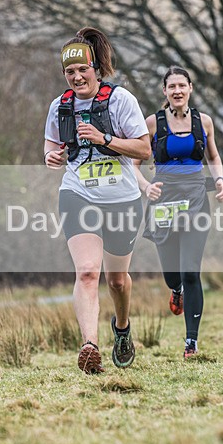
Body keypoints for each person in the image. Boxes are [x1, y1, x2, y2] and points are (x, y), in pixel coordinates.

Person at [43, 27, 152, 374]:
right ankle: (90, 345)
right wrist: (52, 157)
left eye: (82, 70)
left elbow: (144, 148)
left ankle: (121, 329)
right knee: (88, 272)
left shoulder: (121, 100)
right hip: (77, 193)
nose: (77, 77)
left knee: (116, 280)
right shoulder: (60, 107)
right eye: (70, 72)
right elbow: (50, 145)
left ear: (96, 67)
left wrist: (105, 138)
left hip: (122, 198)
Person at [133, 66, 223, 359]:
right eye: (171, 86)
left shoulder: (204, 122)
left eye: (181, 86)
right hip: (164, 200)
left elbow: (213, 156)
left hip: (197, 197)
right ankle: (175, 292)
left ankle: (191, 342)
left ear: (190, 88)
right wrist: (146, 188)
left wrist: (220, 181)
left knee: (190, 272)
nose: (177, 91)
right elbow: (132, 165)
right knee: (173, 274)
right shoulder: (151, 123)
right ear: (165, 91)